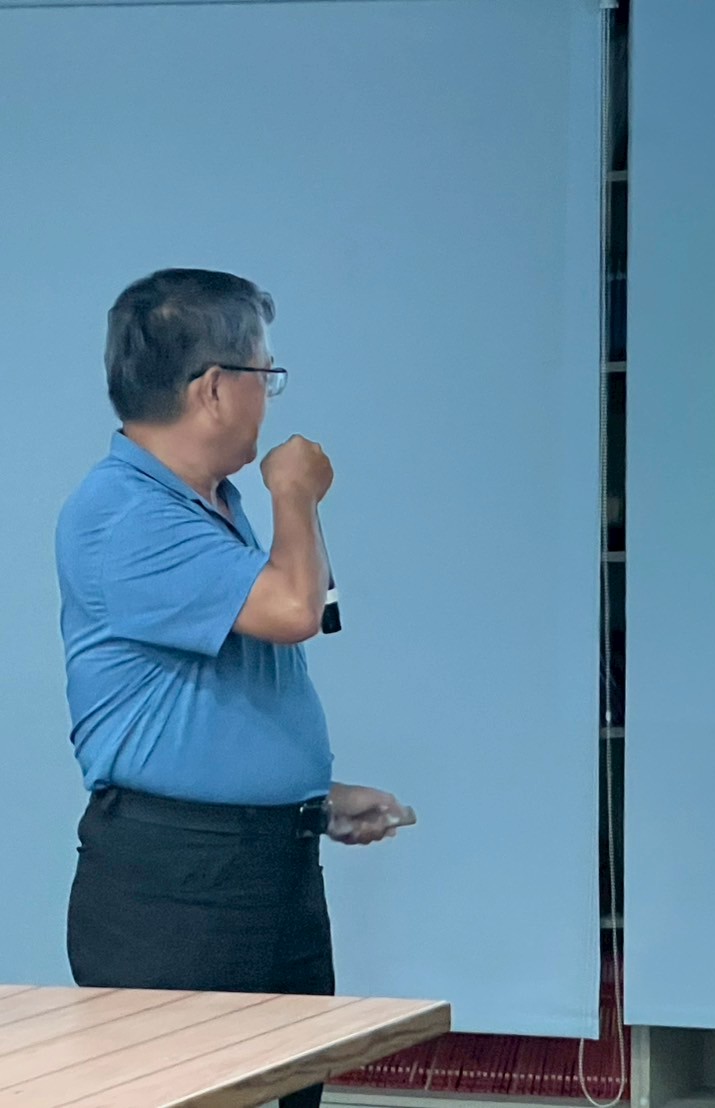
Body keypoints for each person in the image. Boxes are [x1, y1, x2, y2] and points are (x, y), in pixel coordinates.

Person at [55, 268, 408, 1108]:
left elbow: (206, 692)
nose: (268, 397)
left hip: (264, 869)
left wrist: (307, 797)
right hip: (180, 890)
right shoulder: (129, 513)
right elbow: (294, 610)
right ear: (214, 388)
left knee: (286, 1093)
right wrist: (293, 489)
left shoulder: (203, 501)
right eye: (264, 374)